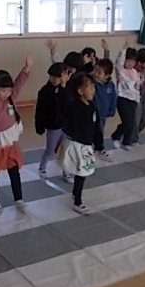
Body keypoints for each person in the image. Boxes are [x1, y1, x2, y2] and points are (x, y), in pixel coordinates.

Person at [0, 55, 33, 210]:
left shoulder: (10, 98)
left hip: (11, 142)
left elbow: (19, 83)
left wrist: (27, 68)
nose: (6, 93)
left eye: (8, 90)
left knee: (14, 171)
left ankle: (19, 198)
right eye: (3, 90)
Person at [57, 73, 104, 215]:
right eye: (90, 87)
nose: (93, 90)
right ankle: (77, 202)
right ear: (80, 91)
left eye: (94, 87)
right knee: (81, 172)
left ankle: (75, 194)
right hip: (76, 144)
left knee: (82, 173)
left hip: (86, 146)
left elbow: (96, 127)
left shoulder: (92, 107)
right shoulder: (73, 106)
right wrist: (63, 86)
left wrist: (99, 145)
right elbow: (62, 106)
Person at [35, 62, 72, 181]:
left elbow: (67, 104)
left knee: (65, 149)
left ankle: (66, 171)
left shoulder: (66, 89)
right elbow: (40, 110)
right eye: (52, 76)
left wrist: (63, 87)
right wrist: (39, 126)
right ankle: (42, 167)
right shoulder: (45, 91)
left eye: (58, 77)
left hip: (65, 125)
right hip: (53, 126)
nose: (54, 79)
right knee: (50, 149)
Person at [111, 42, 140, 149]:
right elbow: (118, 62)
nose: (130, 63)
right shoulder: (121, 71)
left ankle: (126, 142)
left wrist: (137, 100)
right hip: (122, 99)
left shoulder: (135, 72)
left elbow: (137, 87)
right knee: (127, 120)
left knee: (131, 122)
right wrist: (124, 49)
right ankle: (116, 136)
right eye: (128, 61)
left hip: (132, 100)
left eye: (133, 61)